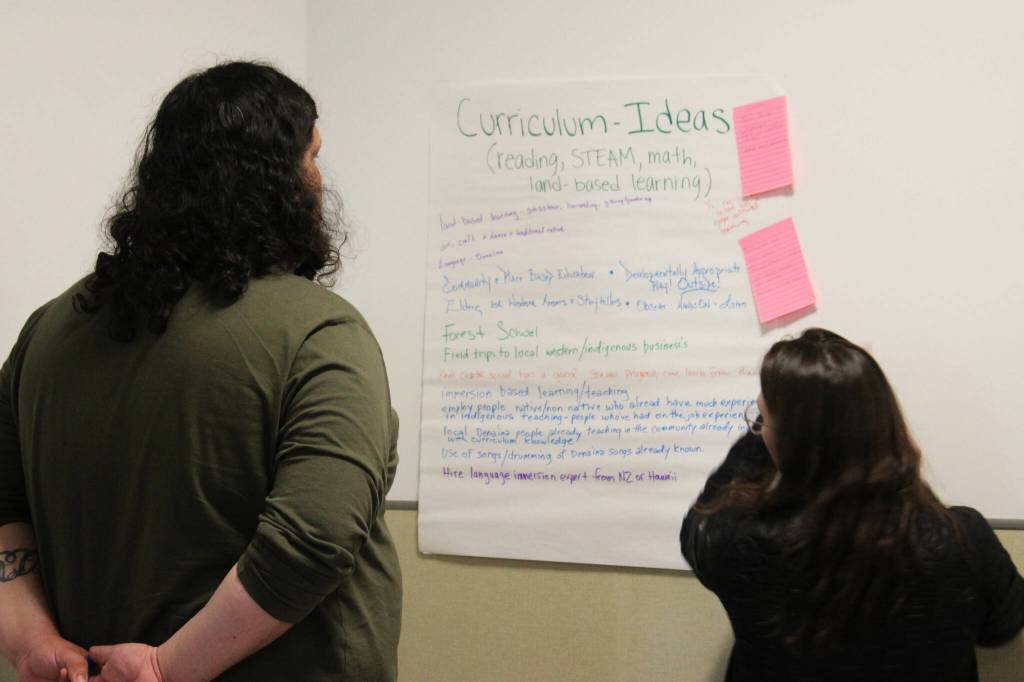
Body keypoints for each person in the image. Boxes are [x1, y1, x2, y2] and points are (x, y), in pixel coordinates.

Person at [0, 61, 401, 681]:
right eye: (312, 157)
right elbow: (316, 535)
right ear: (279, 178)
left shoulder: (46, 333)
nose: (321, 180)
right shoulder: (322, 333)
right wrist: (165, 669)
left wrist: (29, 642)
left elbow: (4, 504)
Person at [680, 328, 1024, 682]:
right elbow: (1002, 627)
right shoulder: (962, 539)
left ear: (785, 441)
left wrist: (775, 417)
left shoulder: (736, 541)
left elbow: (697, 528)